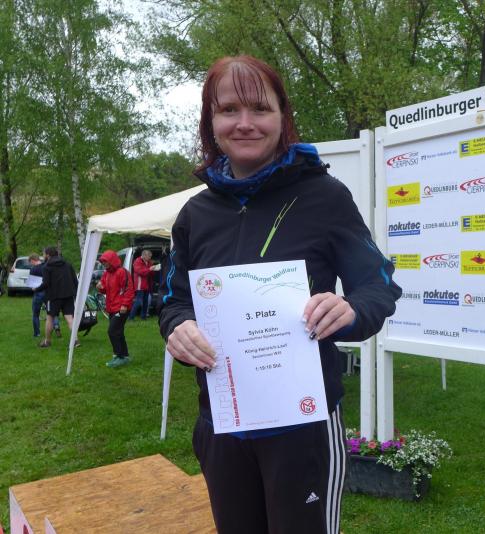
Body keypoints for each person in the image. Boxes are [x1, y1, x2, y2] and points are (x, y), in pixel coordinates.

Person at [159, 55, 401, 534]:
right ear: (211, 122)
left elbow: (378, 285)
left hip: (303, 427)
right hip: (222, 424)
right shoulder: (194, 214)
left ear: (282, 117)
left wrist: (350, 309)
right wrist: (178, 327)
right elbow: (174, 300)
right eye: (229, 110)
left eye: (260, 108)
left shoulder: (325, 197)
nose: (245, 123)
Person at [96, 249, 135, 368]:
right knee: (118, 331)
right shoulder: (106, 274)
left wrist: (125, 304)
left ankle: (119, 355)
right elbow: (104, 289)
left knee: (112, 331)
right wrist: (99, 287)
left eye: (105, 261)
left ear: (112, 260)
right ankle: (124, 356)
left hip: (121, 307)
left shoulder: (122, 272)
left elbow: (129, 289)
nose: (104, 264)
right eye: (103, 262)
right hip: (112, 307)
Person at [37, 247, 77, 348]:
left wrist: (36, 289)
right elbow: (75, 280)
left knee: (50, 318)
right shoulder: (67, 264)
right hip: (68, 295)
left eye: (44, 254)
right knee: (69, 318)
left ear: (47, 255)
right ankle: (75, 340)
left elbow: (46, 283)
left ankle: (47, 341)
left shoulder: (46, 267)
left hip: (53, 297)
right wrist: (75, 293)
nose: (43, 256)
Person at [28, 253, 60, 338]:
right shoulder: (46, 266)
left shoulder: (33, 269)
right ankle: (56, 326)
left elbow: (31, 283)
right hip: (48, 292)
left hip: (38, 292)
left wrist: (33, 288)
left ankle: (37, 333)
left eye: (30, 262)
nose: (31, 264)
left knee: (36, 314)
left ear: (33, 260)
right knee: (52, 312)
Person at [130, 249, 157, 320]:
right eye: (149, 256)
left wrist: (155, 269)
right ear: (144, 255)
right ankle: (131, 317)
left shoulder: (148, 262)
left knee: (146, 302)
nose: (150, 258)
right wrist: (150, 269)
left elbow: (150, 273)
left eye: (150, 256)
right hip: (140, 285)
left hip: (147, 285)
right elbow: (140, 272)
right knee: (138, 301)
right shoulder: (137, 261)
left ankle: (143, 317)